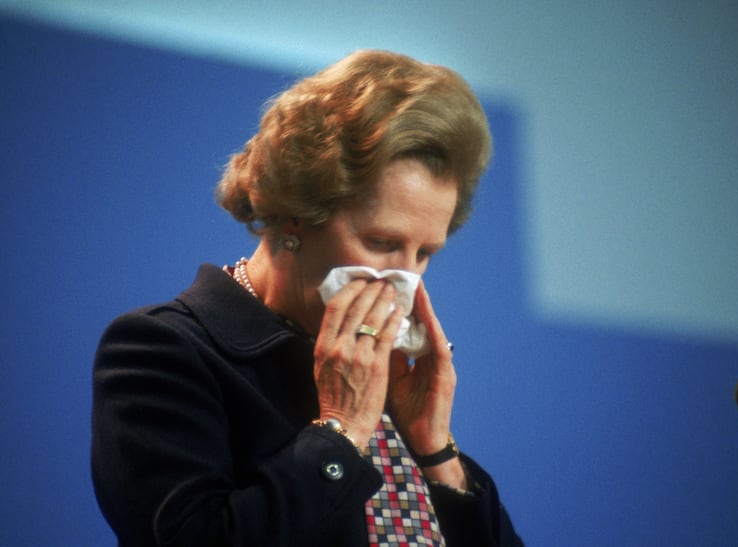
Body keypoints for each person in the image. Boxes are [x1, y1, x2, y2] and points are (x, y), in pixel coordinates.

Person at [91, 49, 522, 547]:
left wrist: (434, 452)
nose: (404, 279)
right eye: (381, 243)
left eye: (424, 252)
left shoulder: (382, 375)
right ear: (296, 213)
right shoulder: (160, 350)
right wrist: (340, 431)